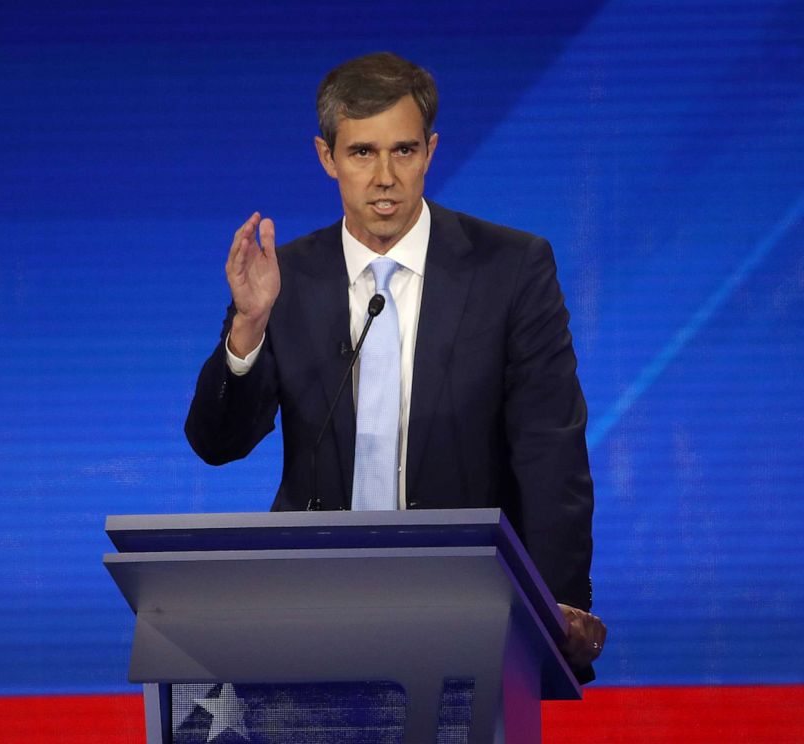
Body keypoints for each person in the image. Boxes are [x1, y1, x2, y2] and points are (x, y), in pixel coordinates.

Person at [185, 52, 605, 679]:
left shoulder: (510, 269)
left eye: (403, 152)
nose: (384, 176)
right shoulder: (287, 277)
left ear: (430, 152)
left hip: (467, 607)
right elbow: (218, 443)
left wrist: (555, 604)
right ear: (327, 157)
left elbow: (550, 450)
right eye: (362, 153)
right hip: (311, 609)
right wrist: (249, 325)